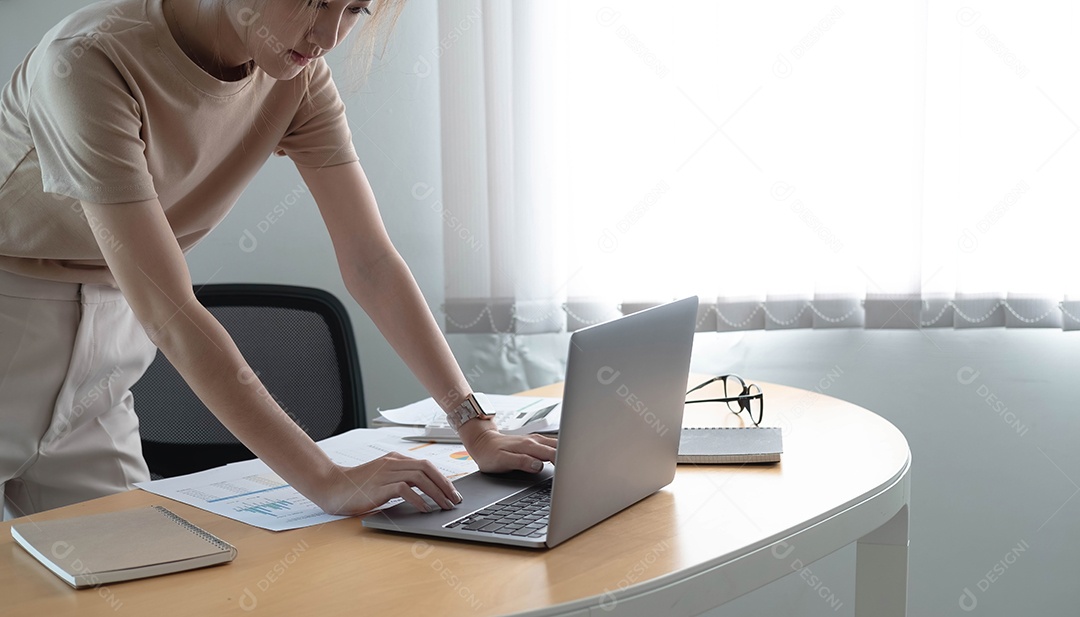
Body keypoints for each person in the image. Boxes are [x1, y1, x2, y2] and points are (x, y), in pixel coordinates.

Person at [0, 0, 557, 521]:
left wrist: (475, 427)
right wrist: (327, 479)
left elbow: (371, 262)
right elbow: (168, 310)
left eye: (354, 8)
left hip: (109, 348)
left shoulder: (298, 77)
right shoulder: (88, 60)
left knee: (116, 579)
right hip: (16, 315)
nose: (331, 34)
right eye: (316, 0)